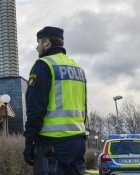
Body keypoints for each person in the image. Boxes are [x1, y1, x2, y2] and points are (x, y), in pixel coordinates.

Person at [23, 26, 87, 175]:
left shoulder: (44, 65)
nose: (36, 47)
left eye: (38, 42)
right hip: (78, 142)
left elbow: (35, 108)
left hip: (52, 145)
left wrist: (29, 141)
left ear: (46, 42)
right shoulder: (77, 68)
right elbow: (84, 106)